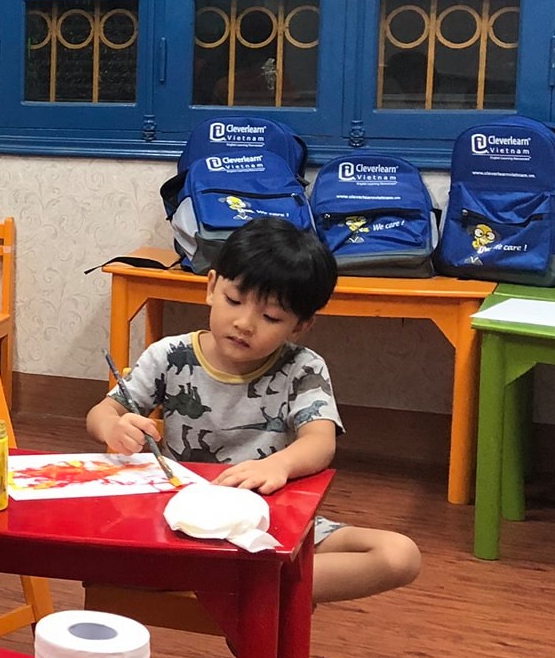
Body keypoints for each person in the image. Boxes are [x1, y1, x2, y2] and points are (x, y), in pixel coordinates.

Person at [85, 217, 423, 605]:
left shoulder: (303, 368)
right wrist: (113, 427)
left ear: (301, 325)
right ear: (212, 286)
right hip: (185, 521)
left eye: (271, 317)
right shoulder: (169, 356)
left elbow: (320, 441)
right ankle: (248, 586)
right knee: (101, 557)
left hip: (270, 522)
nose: (244, 323)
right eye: (234, 300)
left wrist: (278, 465)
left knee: (399, 555)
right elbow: (101, 412)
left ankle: (234, 583)